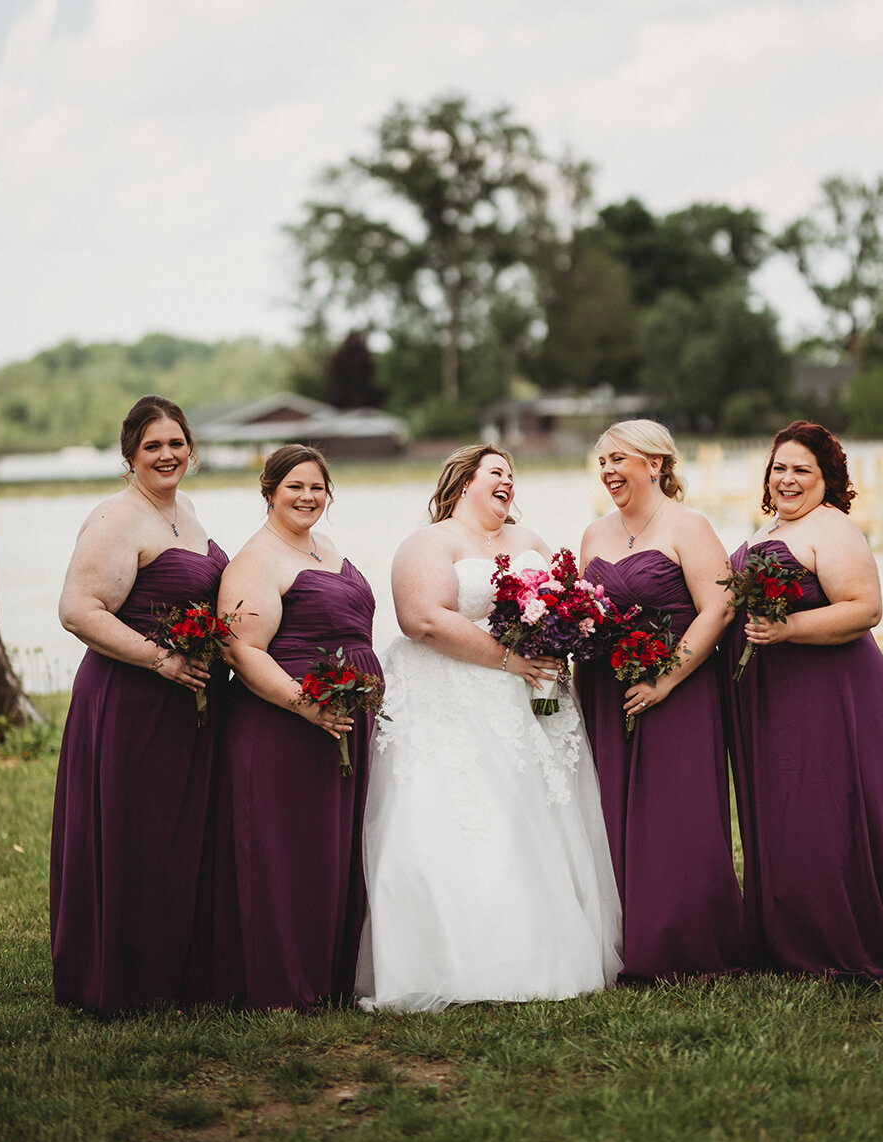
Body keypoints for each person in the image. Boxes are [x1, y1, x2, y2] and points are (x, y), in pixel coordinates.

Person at [355, 444, 623, 1012]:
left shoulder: (530, 544)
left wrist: (558, 639)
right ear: (463, 481)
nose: (508, 482)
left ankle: (542, 949)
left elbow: (564, 604)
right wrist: (509, 660)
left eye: (512, 475)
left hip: (533, 701)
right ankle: (453, 959)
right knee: (461, 820)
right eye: (495, 472)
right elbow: (423, 619)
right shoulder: (430, 543)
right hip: (452, 700)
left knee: (535, 818)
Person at [727, 420, 883, 977]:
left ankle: (841, 935)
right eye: (779, 467)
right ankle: (788, 933)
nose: (787, 479)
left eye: (801, 469)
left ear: (826, 477)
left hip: (828, 687)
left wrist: (788, 630)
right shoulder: (770, 527)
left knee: (828, 802)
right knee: (784, 806)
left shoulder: (833, 529)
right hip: (773, 691)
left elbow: (865, 609)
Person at [50, 395, 227, 1015]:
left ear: (191, 449)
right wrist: (160, 658)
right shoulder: (116, 518)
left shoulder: (188, 512)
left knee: (177, 835)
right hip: (129, 700)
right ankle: (124, 977)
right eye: (152, 445)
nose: (167, 454)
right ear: (130, 455)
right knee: (136, 833)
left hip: (186, 704)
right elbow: (78, 610)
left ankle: (176, 970)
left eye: (176, 443)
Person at [577, 419, 747, 980]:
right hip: (608, 687)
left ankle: (686, 942)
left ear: (655, 464)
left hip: (679, 686)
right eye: (602, 462)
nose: (608, 472)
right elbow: (584, 611)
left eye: (618, 460)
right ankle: (625, 936)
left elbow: (718, 609)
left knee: (675, 809)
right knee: (610, 809)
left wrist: (667, 678)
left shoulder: (688, 526)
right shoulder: (594, 534)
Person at [212, 444, 376, 1009]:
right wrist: (305, 704)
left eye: (317, 488)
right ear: (269, 491)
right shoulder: (255, 562)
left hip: (341, 723)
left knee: (332, 852)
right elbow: (243, 651)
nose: (308, 497)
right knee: (289, 855)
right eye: (295, 488)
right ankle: (282, 986)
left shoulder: (323, 547)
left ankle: (329, 977)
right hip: (283, 727)